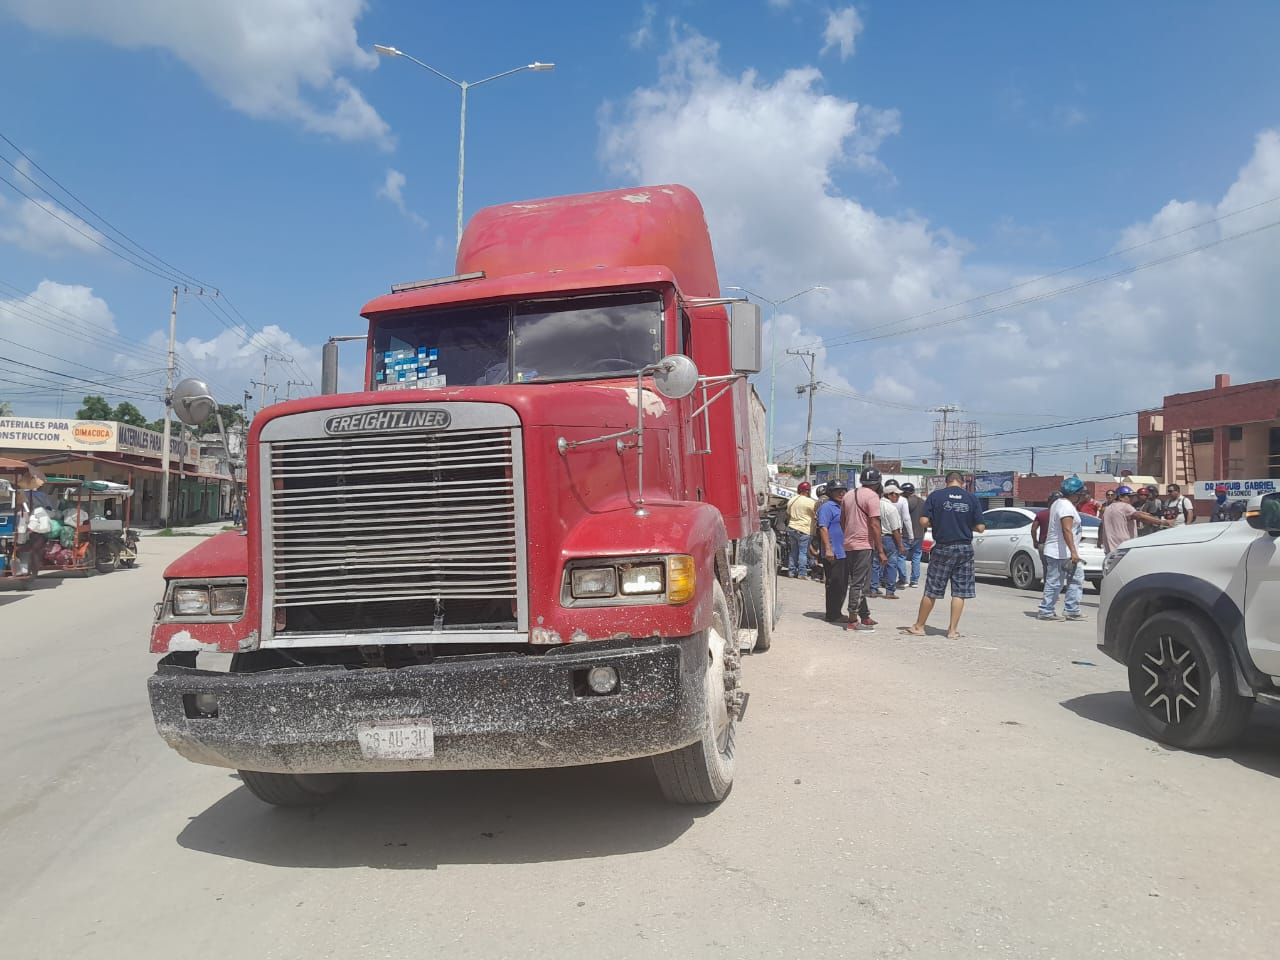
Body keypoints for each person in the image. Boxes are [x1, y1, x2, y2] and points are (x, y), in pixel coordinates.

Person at [901, 471, 985, 639]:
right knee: (960, 592)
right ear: (962, 483)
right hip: (964, 549)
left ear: (946, 482)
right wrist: (966, 525)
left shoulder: (936, 496)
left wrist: (939, 522)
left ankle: (919, 626)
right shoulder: (972, 499)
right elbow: (981, 527)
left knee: (932, 589)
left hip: (943, 547)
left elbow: (923, 521)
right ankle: (952, 631)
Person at [1037, 476, 1089, 621]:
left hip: (1064, 551)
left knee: (1076, 579)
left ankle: (1072, 609)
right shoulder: (1065, 506)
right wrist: (1073, 551)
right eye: (1079, 494)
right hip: (1060, 552)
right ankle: (1046, 610)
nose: (1081, 497)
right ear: (1074, 494)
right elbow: (1067, 529)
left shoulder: (1059, 503)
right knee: (1054, 582)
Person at [841, 468, 885, 631]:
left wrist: (848, 535)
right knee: (858, 583)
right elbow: (874, 524)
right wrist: (880, 550)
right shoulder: (872, 497)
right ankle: (853, 619)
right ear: (878, 482)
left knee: (860, 581)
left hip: (849, 543)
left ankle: (864, 615)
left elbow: (842, 520)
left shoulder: (848, 494)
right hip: (864, 544)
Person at [1099, 484, 1171, 552]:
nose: (1132, 499)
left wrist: (1100, 539)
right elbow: (1139, 516)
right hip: (1123, 546)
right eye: (1129, 496)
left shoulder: (1107, 509)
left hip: (1109, 546)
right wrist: (1162, 522)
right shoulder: (1125, 506)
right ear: (1120, 497)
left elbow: (1102, 526)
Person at [816, 479, 848, 622]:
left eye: (843, 490)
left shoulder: (842, 507)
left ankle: (837, 612)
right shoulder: (827, 507)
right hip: (833, 552)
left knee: (842, 584)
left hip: (844, 552)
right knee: (834, 584)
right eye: (837, 491)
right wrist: (828, 549)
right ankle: (832, 614)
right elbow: (823, 527)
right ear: (830, 492)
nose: (841, 493)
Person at [874, 483, 906, 600]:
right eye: (896, 494)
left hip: (877, 537)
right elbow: (895, 529)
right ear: (889, 495)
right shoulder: (891, 509)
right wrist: (901, 545)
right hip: (889, 538)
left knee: (875, 563)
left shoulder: (876, 505)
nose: (898, 497)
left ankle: (873, 588)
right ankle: (890, 591)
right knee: (891, 565)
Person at [785, 481, 817, 579]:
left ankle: (791, 572)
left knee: (793, 551)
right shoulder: (811, 502)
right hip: (804, 530)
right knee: (803, 552)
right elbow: (816, 515)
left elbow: (788, 514)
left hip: (792, 528)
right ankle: (802, 573)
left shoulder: (791, 500)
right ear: (807, 491)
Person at [902, 482, 926, 588]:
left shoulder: (904, 502)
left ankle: (903, 579)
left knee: (901, 556)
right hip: (919, 533)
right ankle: (914, 580)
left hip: (906, 534)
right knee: (916, 557)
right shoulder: (922, 502)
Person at [1031, 491, 1061, 560]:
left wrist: (1035, 541)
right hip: (1058, 545)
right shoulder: (1063, 514)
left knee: (1046, 567)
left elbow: (1033, 529)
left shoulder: (1041, 514)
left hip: (1043, 544)